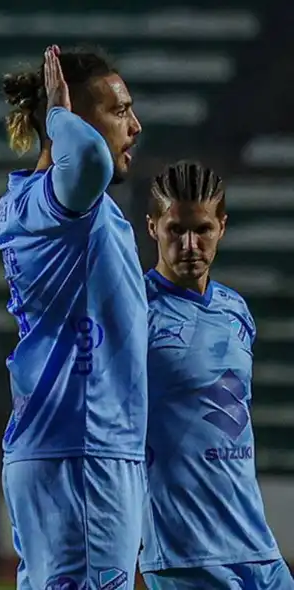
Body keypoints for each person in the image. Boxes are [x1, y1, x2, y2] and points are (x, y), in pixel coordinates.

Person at [0, 45, 145, 590]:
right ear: (76, 119)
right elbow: (91, 161)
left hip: (66, 445)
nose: (135, 124)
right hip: (83, 447)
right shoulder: (67, 193)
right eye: (119, 110)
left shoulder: (25, 201)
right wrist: (59, 116)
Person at [141, 160, 293, 589]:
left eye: (202, 229)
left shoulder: (236, 310)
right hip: (184, 552)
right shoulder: (134, 312)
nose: (189, 244)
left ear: (221, 227)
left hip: (256, 545)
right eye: (176, 230)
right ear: (153, 228)